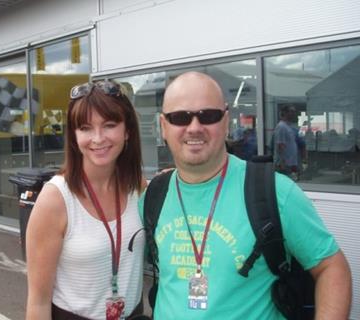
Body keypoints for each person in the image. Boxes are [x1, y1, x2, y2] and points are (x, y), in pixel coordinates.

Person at [140, 72, 352, 319]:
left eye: (208, 116)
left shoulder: (274, 191)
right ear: (164, 126)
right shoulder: (153, 195)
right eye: (180, 118)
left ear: (226, 120)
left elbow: (332, 268)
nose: (194, 128)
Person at [25, 80, 146, 320]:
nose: (98, 138)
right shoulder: (56, 199)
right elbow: (38, 303)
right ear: (74, 135)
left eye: (109, 125)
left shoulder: (139, 187)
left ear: (127, 130)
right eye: (86, 128)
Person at [273, 105, 302, 178]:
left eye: (294, 112)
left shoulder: (288, 127)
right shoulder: (281, 126)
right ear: (285, 113)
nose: (294, 114)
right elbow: (280, 145)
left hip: (290, 163)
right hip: (284, 164)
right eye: (291, 111)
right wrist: (282, 162)